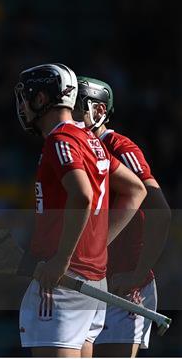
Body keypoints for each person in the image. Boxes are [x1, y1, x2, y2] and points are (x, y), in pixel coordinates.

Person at [14, 63, 147, 357]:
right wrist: (98, 244)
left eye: (26, 97)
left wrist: (61, 260)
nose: (22, 106)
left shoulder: (59, 140)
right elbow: (135, 190)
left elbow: (83, 195)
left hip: (64, 281)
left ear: (40, 100)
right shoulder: (90, 139)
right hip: (92, 279)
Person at [73, 76, 171, 357]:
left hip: (122, 286)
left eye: (77, 108)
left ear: (99, 111)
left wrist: (139, 272)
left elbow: (160, 213)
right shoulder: (73, 148)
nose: (70, 115)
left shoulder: (120, 147)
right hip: (91, 281)